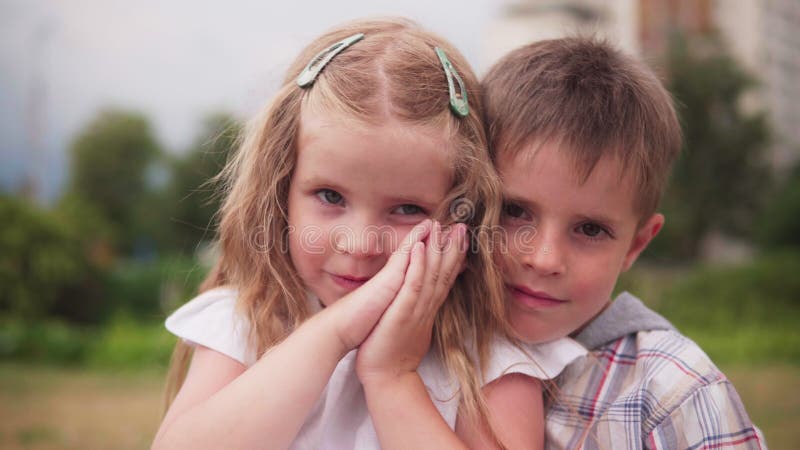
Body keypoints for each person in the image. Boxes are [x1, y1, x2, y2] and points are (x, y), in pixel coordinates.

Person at [152, 18, 585, 450]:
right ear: (281, 190)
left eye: (406, 209)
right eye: (329, 196)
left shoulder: (485, 355)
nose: (359, 244)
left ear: (463, 219)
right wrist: (334, 331)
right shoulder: (250, 319)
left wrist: (389, 375)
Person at [481, 37, 766, 449]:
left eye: (590, 230)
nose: (544, 259)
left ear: (636, 244)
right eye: (514, 211)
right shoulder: (423, 347)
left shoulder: (673, 393)